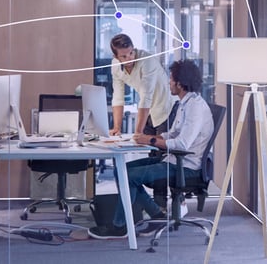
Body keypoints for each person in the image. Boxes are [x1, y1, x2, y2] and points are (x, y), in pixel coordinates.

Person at [88, 59, 214, 239]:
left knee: (129, 176)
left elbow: (182, 144)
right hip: (173, 159)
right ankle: (157, 216)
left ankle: (119, 227)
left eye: (171, 80)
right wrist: (147, 139)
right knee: (122, 170)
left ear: (179, 83)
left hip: (185, 166)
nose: (168, 83)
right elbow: (175, 134)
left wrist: (153, 140)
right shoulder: (185, 103)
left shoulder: (195, 107)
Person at [109, 33, 175, 136]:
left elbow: (145, 97)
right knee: (147, 149)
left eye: (131, 53)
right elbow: (118, 97)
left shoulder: (147, 60)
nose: (129, 58)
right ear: (116, 57)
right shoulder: (115, 66)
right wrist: (117, 128)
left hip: (167, 109)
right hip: (149, 111)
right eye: (124, 56)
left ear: (134, 49)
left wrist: (138, 132)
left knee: (162, 150)